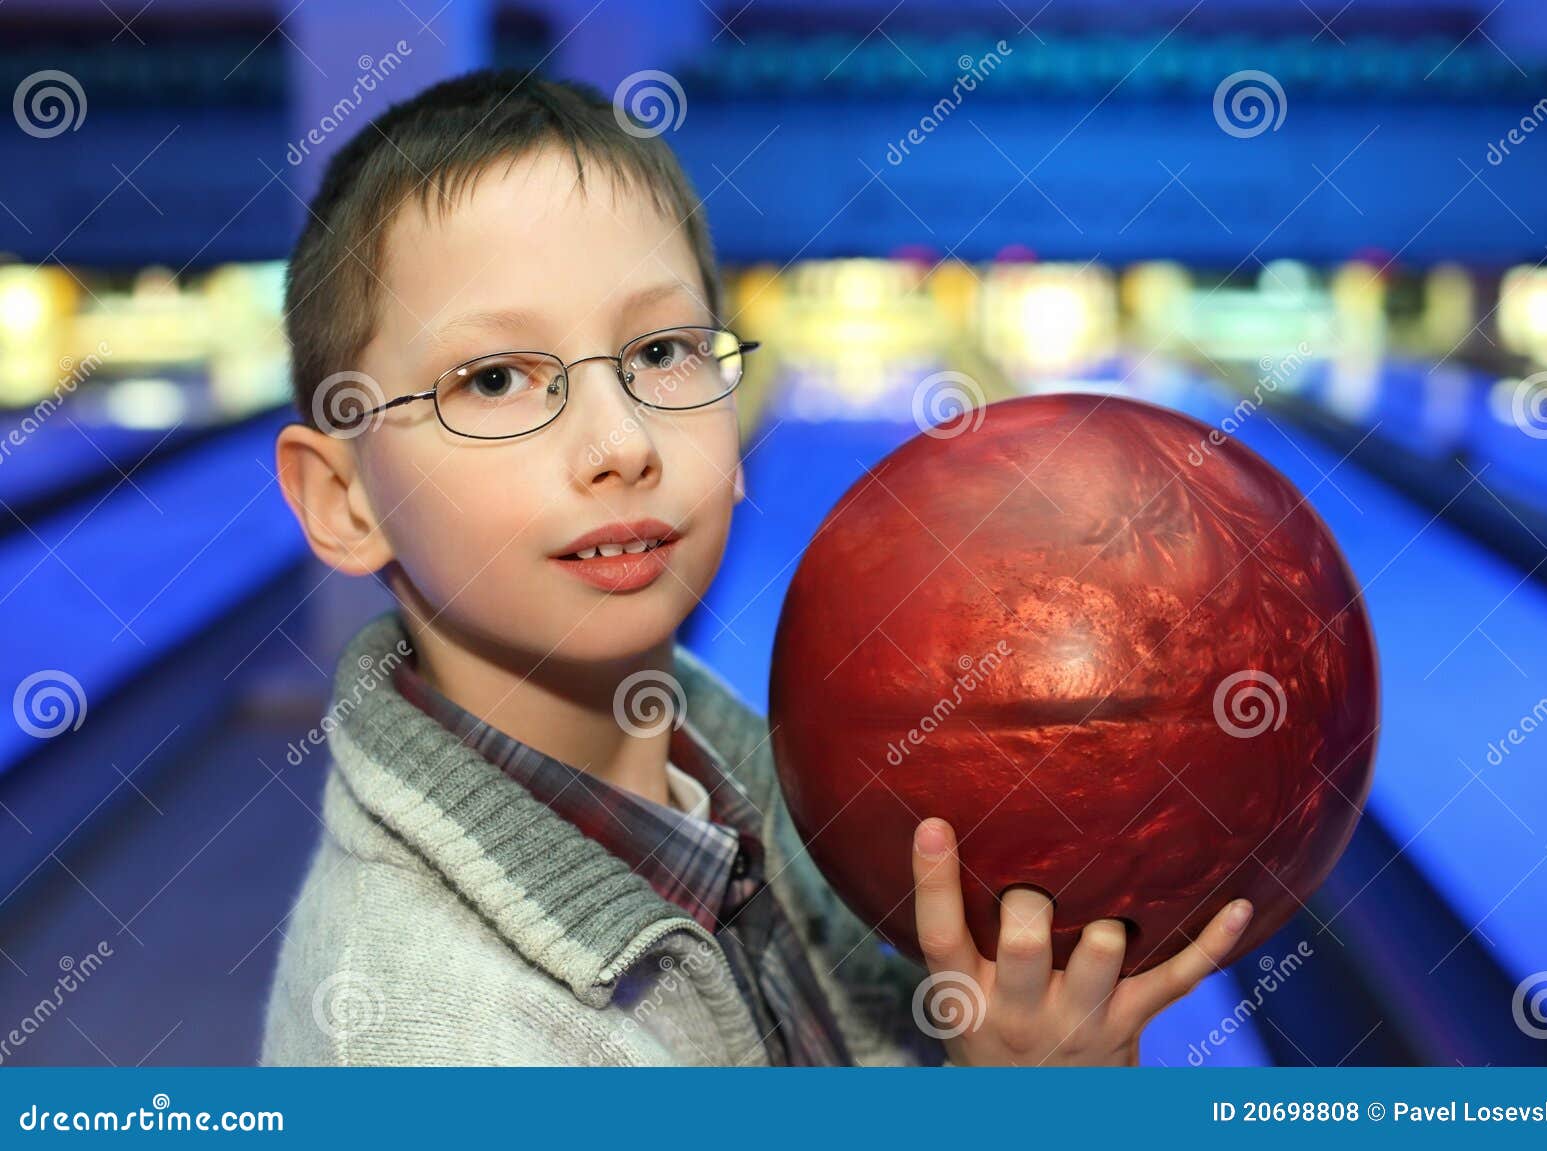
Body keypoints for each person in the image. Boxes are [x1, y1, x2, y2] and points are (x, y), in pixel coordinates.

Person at [261, 69, 1254, 1067]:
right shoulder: (432, 1039)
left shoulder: (741, 776)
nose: (622, 440)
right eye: (493, 378)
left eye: (660, 352)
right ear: (344, 500)